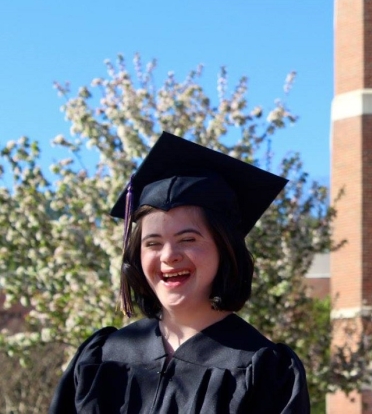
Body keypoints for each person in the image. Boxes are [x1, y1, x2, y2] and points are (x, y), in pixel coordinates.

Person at [49, 132, 310, 413]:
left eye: (188, 240)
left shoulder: (264, 370)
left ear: (225, 249)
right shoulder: (102, 358)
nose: (169, 255)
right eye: (153, 243)